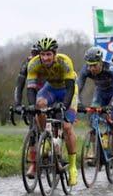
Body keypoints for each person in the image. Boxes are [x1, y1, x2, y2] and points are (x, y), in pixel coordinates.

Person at [26, 37, 79, 185]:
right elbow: (30, 89)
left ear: (55, 54)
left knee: (67, 126)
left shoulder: (64, 61)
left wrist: (64, 105)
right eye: (42, 54)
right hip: (50, 89)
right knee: (39, 104)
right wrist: (32, 107)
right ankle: (46, 136)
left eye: (49, 54)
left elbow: (70, 89)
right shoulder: (34, 63)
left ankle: (73, 167)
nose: (45, 58)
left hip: (67, 90)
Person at [77, 46, 113, 161]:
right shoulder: (86, 70)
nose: (91, 68)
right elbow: (77, 88)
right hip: (100, 93)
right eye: (89, 65)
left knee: (111, 117)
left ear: (101, 62)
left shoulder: (111, 69)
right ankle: (94, 150)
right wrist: (78, 103)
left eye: (94, 65)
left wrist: (111, 106)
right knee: (93, 116)